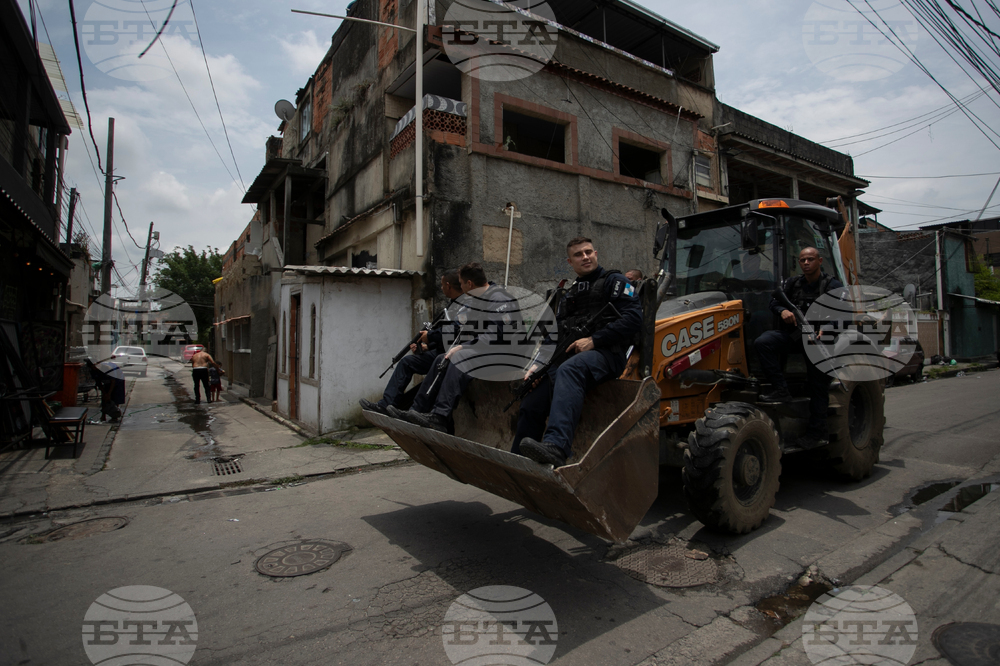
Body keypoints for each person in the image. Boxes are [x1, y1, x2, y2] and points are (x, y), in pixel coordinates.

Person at [515, 237, 643, 467]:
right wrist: (538, 365)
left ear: (596, 253)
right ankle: (519, 459)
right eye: (578, 254)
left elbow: (634, 319)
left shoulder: (614, 281)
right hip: (571, 357)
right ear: (570, 261)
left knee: (569, 369)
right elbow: (555, 333)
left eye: (588, 252)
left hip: (607, 355)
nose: (584, 257)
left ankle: (557, 447)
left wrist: (595, 340)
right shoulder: (572, 292)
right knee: (533, 398)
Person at [389, 262, 516, 433]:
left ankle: (440, 417)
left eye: (462, 284)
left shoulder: (499, 299)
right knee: (442, 358)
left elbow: (495, 336)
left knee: (459, 357)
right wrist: (431, 343)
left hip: (506, 353)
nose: (461, 288)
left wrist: (464, 347)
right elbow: (459, 327)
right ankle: (416, 411)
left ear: (469, 284)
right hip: (487, 350)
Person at [754, 246, 845, 449]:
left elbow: (845, 317)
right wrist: (783, 310)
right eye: (803, 260)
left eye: (810, 259)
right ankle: (780, 389)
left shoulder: (832, 286)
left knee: (818, 387)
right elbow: (774, 302)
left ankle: (816, 433)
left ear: (819, 261)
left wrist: (827, 329)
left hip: (819, 341)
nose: (806, 263)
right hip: (796, 336)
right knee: (764, 342)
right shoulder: (793, 284)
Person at [360, 270, 463, 416]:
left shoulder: (463, 305)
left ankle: (413, 411)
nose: (441, 288)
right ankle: (387, 404)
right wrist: (426, 346)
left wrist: (431, 336)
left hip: (451, 355)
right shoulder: (452, 305)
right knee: (407, 362)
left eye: (442, 285)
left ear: (448, 285)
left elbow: (455, 332)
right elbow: (446, 336)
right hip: (441, 351)